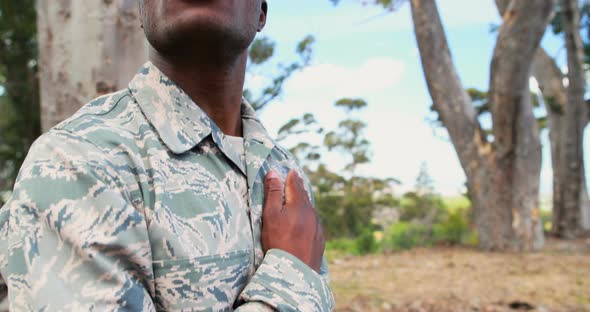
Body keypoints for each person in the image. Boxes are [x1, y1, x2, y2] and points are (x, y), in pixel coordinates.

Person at [0, 0, 334, 310]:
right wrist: (292, 279)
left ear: (262, 12)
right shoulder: (74, 161)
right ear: (141, 12)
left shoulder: (285, 171)